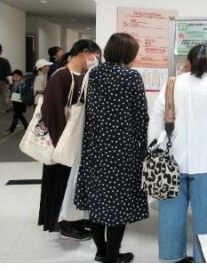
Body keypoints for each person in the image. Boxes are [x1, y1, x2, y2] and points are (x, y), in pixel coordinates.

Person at [149, 45, 207, 262]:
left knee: (170, 214)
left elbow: (156, 120)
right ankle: (202, 260)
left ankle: (171, 257)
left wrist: (156, 149)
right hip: (206, 163)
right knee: (205, 216)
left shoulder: (171, 84)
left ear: (188, 60)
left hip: (172, 161)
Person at [75, 33, 149, 263]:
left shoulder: (93, 73)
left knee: (97, 202)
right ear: (127, 54)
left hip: (94, 148)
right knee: (118, 204)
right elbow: (141, 117)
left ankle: (101, 251)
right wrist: (142, 146)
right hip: (121, 151)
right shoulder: (131, 76)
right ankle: (113, 256)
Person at [38, 40, 101, 240]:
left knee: (73, 184)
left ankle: (76, 220)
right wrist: (61, 144)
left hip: (75, 142)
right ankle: (65, 223)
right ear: (85, 53)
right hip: (63, 144)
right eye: (95, 56)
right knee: (62, 184)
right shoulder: (61, 76)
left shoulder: (83, 76)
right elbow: (52, 112)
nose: (96, 60)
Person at [5, 70, 29, 134]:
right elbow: (12, 92)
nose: (15, 78)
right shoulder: (13, 84)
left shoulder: (23, 83)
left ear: (21, 76)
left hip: (21, 102)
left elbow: (24, 93)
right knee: (19, 115)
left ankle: (11, 129)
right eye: (13, 76)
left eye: (17, 76)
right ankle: (26, 125)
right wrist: (9, 98)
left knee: (16, 116)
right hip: (15, 101)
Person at [0, 45, 12, 114]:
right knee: (6, 94)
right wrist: (10, 83)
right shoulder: (5, 61)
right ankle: (7, 107)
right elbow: (8, 73)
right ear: (1, 51)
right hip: (3, 81)